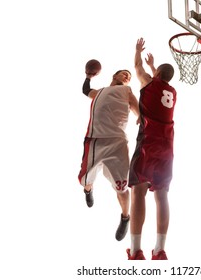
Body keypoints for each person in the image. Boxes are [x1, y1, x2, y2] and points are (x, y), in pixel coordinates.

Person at [126, 38, 177, 260]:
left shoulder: (148, 82)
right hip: (167, 147)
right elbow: (160, 78)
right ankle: (160, 249)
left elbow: (137, 68)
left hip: (149, 141)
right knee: (162, 195)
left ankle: (136, 251)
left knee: (138, 190)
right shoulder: (172, 91)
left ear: (155, 76)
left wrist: (137, 52)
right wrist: (155, 67)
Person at [78, 68, 140, 241]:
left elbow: (136, 107)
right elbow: (85, 90)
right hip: (95, 139)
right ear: (114, 76)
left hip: (117, 142)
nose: (128, 76)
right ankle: (88, 191)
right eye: (124, 73)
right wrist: (88, 76)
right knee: (85, 180)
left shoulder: (126, 91)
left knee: (122, 186)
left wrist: (140, 116)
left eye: (129, 76)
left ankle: (125, 218)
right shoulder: (100, 92)